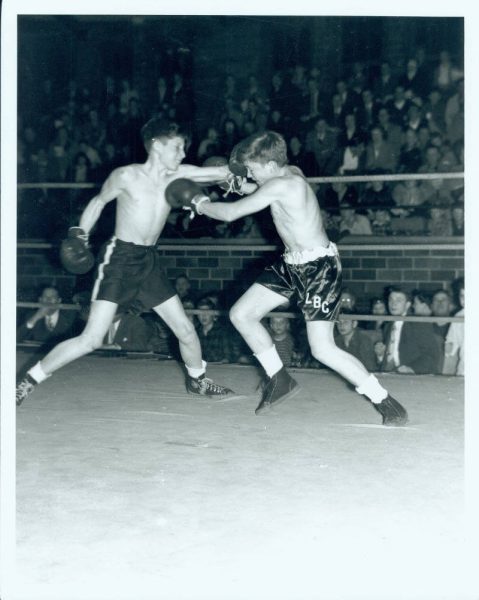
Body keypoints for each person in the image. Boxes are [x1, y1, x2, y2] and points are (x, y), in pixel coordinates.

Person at [183, 130, 408, 425]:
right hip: (292, 264)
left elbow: (230, 214)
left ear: (270, 166)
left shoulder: (285, 185)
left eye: (253, 169)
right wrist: (243, 183)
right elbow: (261, 192)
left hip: (319, 269)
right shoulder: (287, 175)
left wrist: (199, 203)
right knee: (242, 314)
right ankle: (279, 378)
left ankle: (387, 402)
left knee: (323, 348)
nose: (250, 174)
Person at [16, 117, 235, 406]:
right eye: (178, 147)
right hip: (119, 260)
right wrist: (79, 236)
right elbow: (97, 203)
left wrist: (244, 169)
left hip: (149, 261)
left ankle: (198, 381)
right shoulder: (126, 176)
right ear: (157, 145)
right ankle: (27, 381)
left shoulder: (178, 174)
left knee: (185, 329)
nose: (182, 154)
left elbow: (218, 171)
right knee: (92, 339)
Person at [377, 287, 442, 375]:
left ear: (407, 305)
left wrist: (411, 368)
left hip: (412, 377)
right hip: (390, 375)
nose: (393, 304)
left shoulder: (419, 324)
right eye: (390, 300)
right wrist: (380, 355)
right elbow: (388, 359)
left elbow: (431, 356)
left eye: (398, 300)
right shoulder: (387, 326)